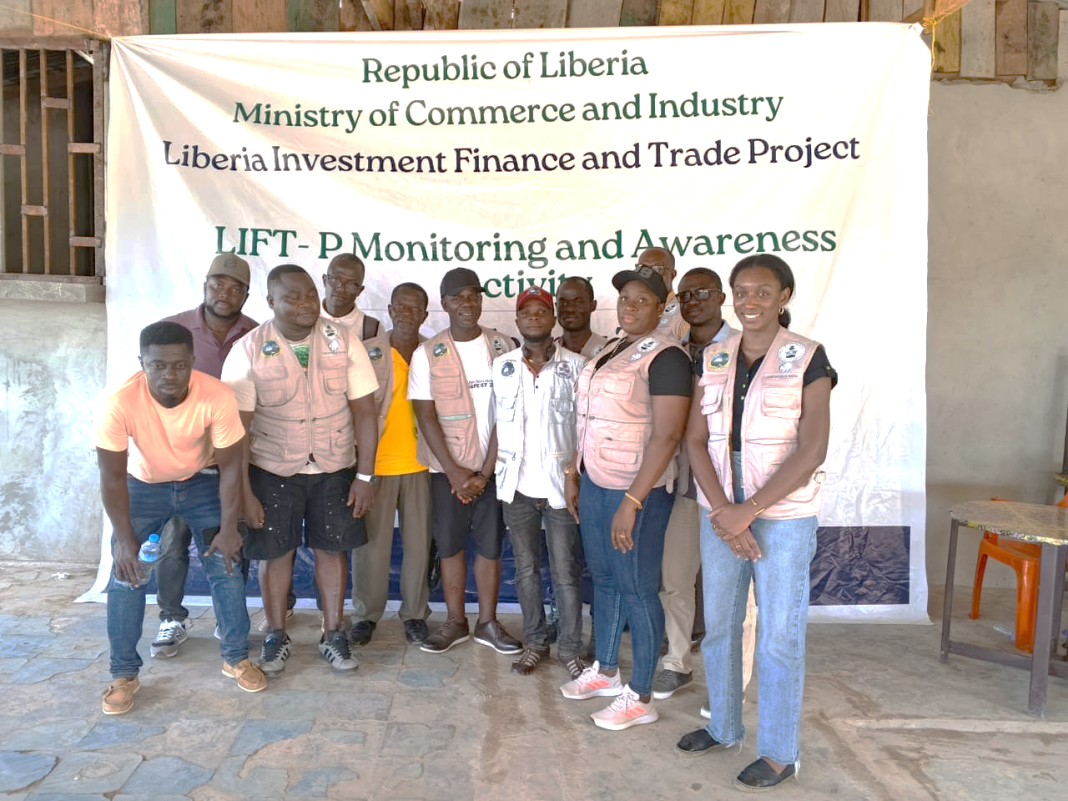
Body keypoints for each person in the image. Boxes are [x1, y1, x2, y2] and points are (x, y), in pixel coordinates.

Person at [677, 254, 836, 792]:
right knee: (721, 626)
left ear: (784, 296)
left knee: (778, 636)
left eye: (763, 292)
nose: (750, 302)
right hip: (720, 509)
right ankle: (723, 727)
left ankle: (779, 753)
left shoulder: (808, 357)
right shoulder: (714, 356)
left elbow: (812, 448)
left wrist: (750, 510)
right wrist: (725, 509)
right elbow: (695, 440)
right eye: (741, 292)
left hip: (784, 516)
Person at [94, 321, 265, 715]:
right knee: (127, 573)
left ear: (192, 361)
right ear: (142, 363)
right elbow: (112, 477)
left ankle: (236, 658)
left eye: (179, 365)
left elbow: (231, 467)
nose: (169, 375)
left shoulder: (216, 395)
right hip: (143, 485)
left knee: (227, 563)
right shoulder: (117, 402)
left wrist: (228, 528)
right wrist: (124, 540)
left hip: (200, 480)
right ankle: (123, 675)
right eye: (157, 366)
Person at [222, 264, 379, 675]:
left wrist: (366, 476)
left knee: (333, 550)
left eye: (310, 293)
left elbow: (365, 412)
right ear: (271, 302)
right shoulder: (248, 349)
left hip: (335, 465)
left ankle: (333, 633)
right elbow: (235, 430)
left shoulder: (343, 340)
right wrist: (244, 493)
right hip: (272, 469)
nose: (306, 303)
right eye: (292, 297)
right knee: (275, 553)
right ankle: (276, 633)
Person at [559, 265, 691, 731]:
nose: (630, 307)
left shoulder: (667, 357)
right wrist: (573, 472)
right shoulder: (612, 348)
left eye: (642, 300)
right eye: (625, 298)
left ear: (661, 306)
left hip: (639, 490)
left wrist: (632, 502)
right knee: (605, 578)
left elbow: (668, 436)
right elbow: (587, 418)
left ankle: (641, 696)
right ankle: (608, 670)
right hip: (597, 479)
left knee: (636, 587)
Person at [151, 254, 258, 659]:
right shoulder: (175, 330)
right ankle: (171, 617)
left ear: (246, 294)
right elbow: (151, 390)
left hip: (233, 458)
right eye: (218, 284)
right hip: (180, 460)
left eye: (235, 288)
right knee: (172, 543)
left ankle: (227, 620)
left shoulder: (257, 335)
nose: (224, 293)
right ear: (205, 286)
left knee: (231, 541)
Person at [409, 267, 520, 655]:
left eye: (473, 295)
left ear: (481, 300)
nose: (466, 304)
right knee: (450, 546)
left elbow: (510, 411)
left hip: (495, 468)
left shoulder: (504, 346)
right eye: (457, 298)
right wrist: (455, 473)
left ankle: (487, 623)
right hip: (446, 471)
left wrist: (485, 472)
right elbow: (425, 416)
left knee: (490, 546)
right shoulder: (427, 353)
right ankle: (455, 621)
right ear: (444, 304)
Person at [652, 267, 741, 703]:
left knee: (731, 590)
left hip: (732, 488)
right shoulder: (671, 351)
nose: (693, 301)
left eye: (702, 293)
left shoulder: (744, 346)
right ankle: (677, 663)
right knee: (675, 579)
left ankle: (729, 682)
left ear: (722, 297)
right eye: (685, 296)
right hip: (684, 483)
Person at [493, 286, 588, 679]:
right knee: (526, 570)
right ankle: (534, 644)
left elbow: (585, 428)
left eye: (541, 311)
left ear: (553, 319)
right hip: (515, 485)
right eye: (526, 311)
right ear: (517, 321)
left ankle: (569, 649)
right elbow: (492, 426)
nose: (533, 316)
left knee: (565, 572)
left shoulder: (578, 366)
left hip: (560, 486)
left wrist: (573, 475)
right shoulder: (502, 366)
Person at [348, 282, 433, 646]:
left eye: (414, 308)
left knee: (419, 547)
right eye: (400, 306)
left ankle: (415, 614)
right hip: (376, 466)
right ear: (390, 310)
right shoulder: (367, 352)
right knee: (370, 548)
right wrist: (360, 469)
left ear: (425, 315)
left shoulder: (434, 352)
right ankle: (365, 616)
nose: (406, 314)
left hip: (422, 465)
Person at [321, 253, 381, 340]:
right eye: (335, 279)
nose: (341, 289)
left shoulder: (372, 330)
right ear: (325, 281)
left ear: (359, 291)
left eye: (351, 284)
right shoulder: (304, 319)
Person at [636, 247, 688, 343]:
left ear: (672, 275)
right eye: (642, 268)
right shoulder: (632, 309)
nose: (649, 274)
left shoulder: (684, 314)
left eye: (658, 269)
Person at [554, 276, 609, 359]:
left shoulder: (609, 352)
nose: (570, 309)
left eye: (578, 302)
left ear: (593, 305)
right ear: (556, 306)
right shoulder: (549, 354)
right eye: (563, 303)